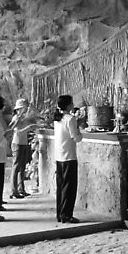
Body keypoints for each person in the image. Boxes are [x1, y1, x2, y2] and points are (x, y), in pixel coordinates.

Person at [53, 95, 83, 223]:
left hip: (60, 156)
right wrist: (79, 129)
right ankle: (67, 214)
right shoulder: (70, 119)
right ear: (69, 105)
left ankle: (60, 213)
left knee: (61, 186)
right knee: (69, 187)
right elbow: (76, 138)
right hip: (69, 156)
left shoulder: (58, 119)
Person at [9, 99, 39, 199]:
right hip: (17, 144)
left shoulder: (24, 118)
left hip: (23, 143)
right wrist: (29, 127)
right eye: (25, 108)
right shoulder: (16, 118)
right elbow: (17, 132)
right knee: (16, 166)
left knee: (22, 167)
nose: (26, 110)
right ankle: (14, 190)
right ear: (20, 109)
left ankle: (21, 189)